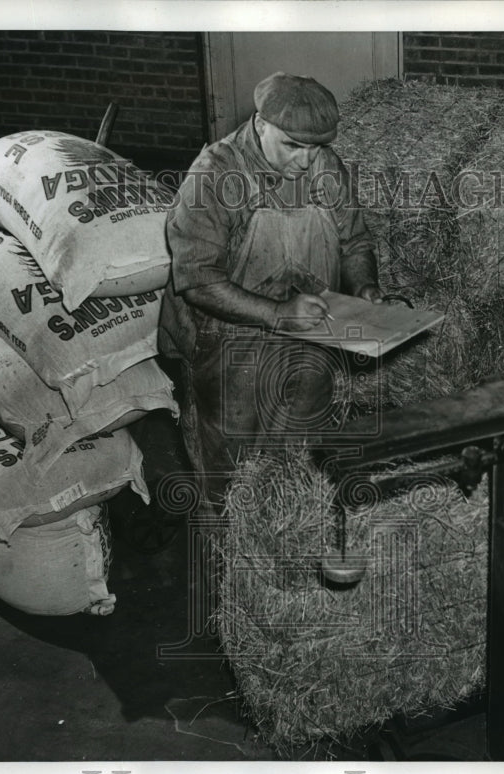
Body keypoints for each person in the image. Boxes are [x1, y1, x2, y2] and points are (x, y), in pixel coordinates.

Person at [159, 71, 383, 510]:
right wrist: (279, 313)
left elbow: (355, 241)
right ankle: (225, 552)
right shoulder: (215, 176)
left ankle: (286, 534)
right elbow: (198, 280)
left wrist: (365, 287)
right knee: (233, 464)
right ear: (261, 126)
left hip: (310, 325)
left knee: (299, 448)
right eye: (294, 146)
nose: (306, 160)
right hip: (225, 334)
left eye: (316, 147)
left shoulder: (325, 166)